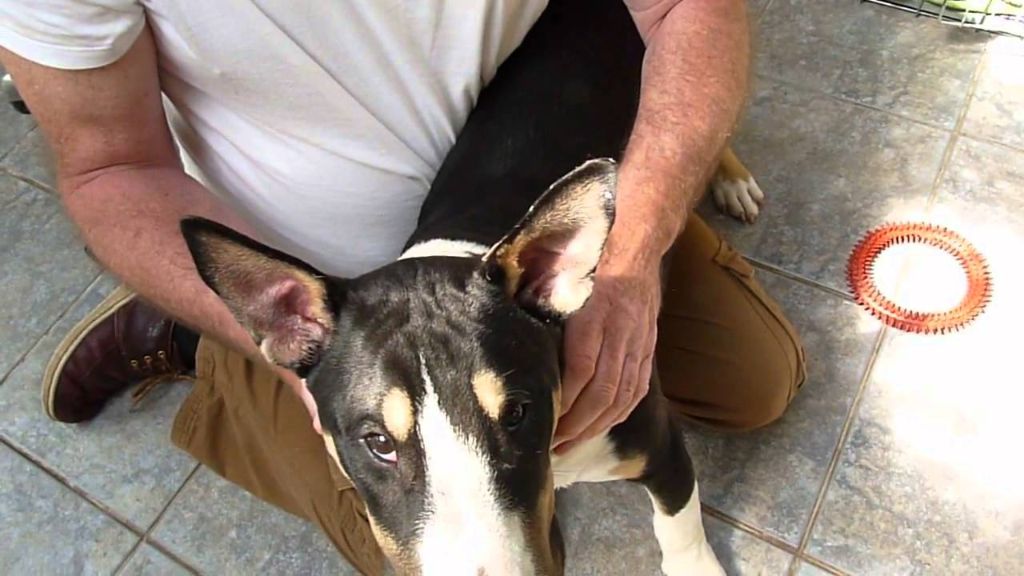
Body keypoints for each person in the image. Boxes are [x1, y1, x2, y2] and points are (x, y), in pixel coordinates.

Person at [0, 0, 806, 572]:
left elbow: (679, 12)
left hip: (519, 249)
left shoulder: (552, 270)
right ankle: (191, 327)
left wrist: (633, 256)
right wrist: (290, 343)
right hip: (318, 298)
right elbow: (109, 164)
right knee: (390, 537)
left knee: (758, 385)